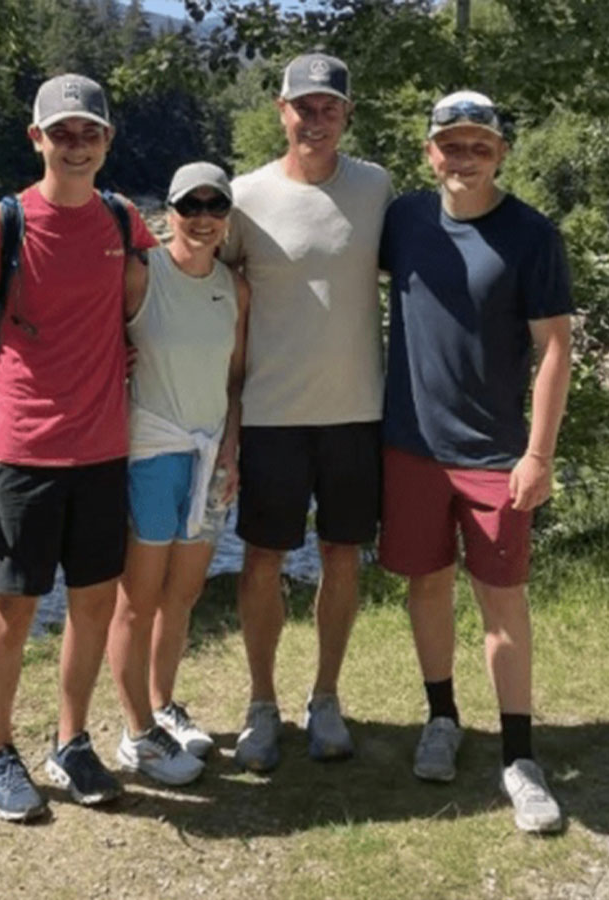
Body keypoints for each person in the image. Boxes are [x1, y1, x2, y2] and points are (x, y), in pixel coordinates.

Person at [0, 74, 156, 821]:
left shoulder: (124, 223)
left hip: (102, 452)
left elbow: (169, 286)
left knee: (93, 607)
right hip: (20, 451)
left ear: (108, 140)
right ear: (38, 139)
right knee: (11, 612)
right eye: (63, 132)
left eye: (90, 131)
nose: (77, 144)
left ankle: (71, 740)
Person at [378, 91, 573, 833]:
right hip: (412, 446)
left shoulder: (531, 235)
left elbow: (555, 346)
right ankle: (441, 718)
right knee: (426, 588)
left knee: (503, 602)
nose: (463, 159)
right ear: (429, 151)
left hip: (497, 456)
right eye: (450, 145)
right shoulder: (403, 222)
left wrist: (539, 453)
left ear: (501, 153)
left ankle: (520, 758)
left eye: (478, 146)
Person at [222, 52, 392, 771]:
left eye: (330, 107)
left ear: (347, 115)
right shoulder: (241, 196)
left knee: (341, 554)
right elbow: (213, 296)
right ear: (280, 111)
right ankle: (262, 704)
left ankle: (325, 697)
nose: (315, 120)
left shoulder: (379, 188)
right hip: (269, 414)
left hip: (357, 412)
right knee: (262, 559)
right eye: (304, 106)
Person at [107, 162, 249, 785]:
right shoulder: (140, 274)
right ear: (167, 213)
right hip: (150, 454)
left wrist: (233, 448)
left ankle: (164, 705)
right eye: (189, 205)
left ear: (227, 217)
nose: (202, 217)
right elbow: (94, 341)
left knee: (183, 594)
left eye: (214, 206)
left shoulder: (235, 289)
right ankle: (135, 730)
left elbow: (236, 378)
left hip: (211, 457)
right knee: (137, 602)